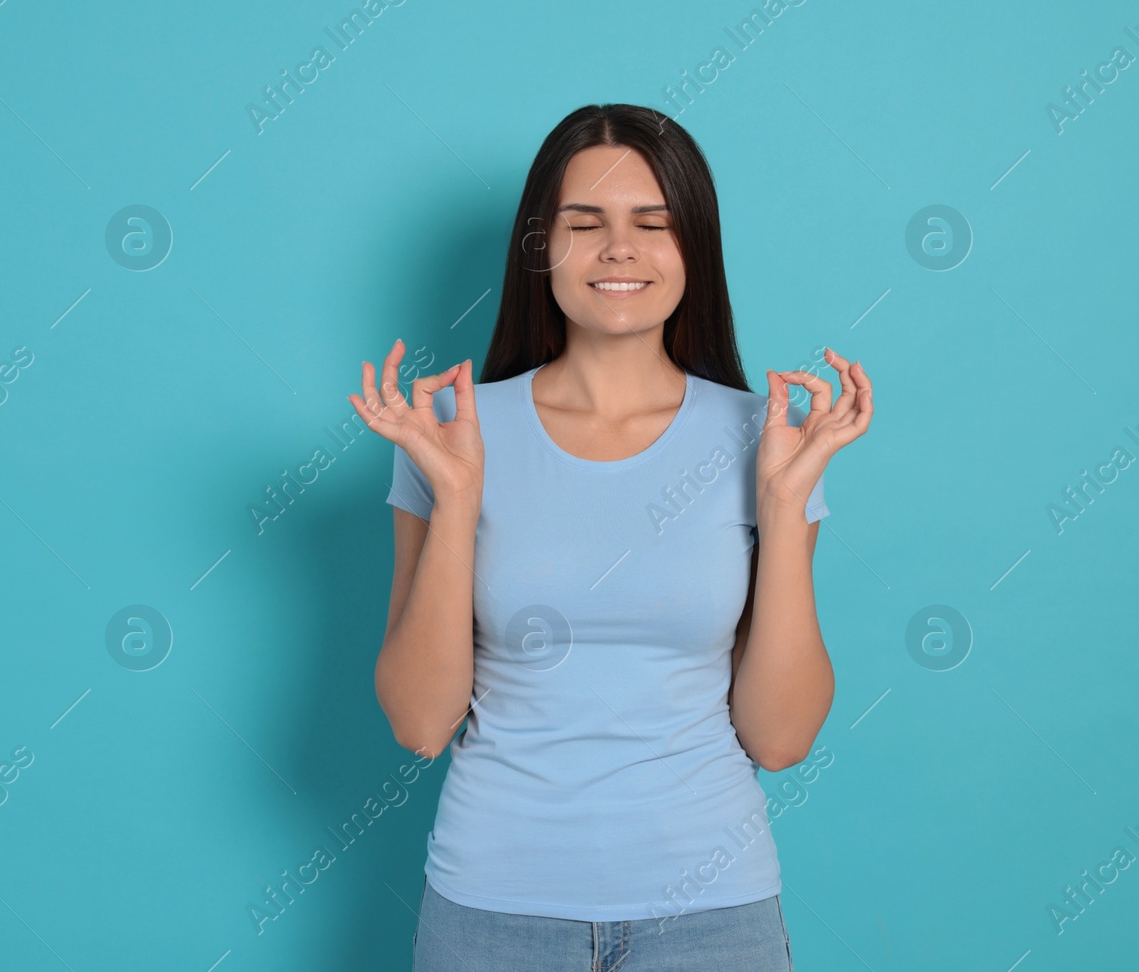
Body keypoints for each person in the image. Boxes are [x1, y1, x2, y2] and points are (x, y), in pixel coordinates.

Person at [347, 103, 873, 971]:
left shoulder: (764, 437)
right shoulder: (450, 427)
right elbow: (418, 720)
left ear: (692, 249)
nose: (618, 248)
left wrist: (785, 505)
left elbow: (779, 739)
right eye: (584, 223)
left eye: (652, 224)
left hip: (714, 915)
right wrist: (458, 495)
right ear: (539, 248)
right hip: (493, 908)